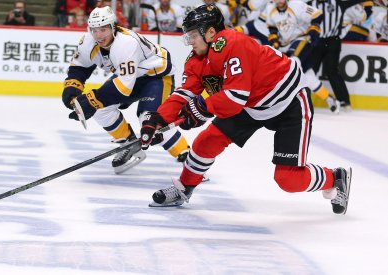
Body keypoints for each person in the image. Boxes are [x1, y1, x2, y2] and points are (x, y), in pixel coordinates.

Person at [140, 4, 352, 215]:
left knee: (288, 179)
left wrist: (199, 109)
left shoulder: (233, 43)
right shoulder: (197, 59)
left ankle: (335, 178)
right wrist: (157, 119)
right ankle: (184, 188)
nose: (190, 41)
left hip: (289, 101)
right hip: (251, 104)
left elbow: (235, 96)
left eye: (194, 35)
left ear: (211, 32)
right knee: (206, 141)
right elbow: (184, 93)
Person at [61, 6, 190, 174]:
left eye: (103, 29)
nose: (99, 35)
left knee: (150, 120)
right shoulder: (87, 42)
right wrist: (71, 89)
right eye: (94, 30)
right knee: (101, 110)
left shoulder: (125, 43)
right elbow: (79, 67)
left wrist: (91, 101)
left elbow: (123, 88)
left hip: (156, 76)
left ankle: (188, 159)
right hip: (131, 76)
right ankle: (128, 143)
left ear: (113, 27)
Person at [266, 0, 340, 113]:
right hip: (285, 45)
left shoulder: (297, 5)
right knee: (308, 76)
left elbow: (318, 14)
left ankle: (284, 103)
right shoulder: (270, 8)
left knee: (292, 63)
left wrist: (314, 28)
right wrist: (274, 40)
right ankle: (329, 98)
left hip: (301, 39)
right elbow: (272, 28)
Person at [307, 0, 366, 111]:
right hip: (316, 42)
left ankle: (344, 101)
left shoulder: (338, 3)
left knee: (332, 71)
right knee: (310, 71)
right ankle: (303, 99)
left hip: (333, 42)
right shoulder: (310, 4)